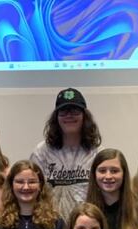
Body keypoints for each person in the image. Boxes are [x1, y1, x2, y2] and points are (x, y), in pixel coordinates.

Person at [30, 87, 101, 220]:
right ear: (56, 118)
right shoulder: (41, 152)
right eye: (63, 111)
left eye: (74, 111)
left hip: (86, 226)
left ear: (84, 116)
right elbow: (32, 191)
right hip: (50, 225)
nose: (69, 115)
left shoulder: (96, 153)